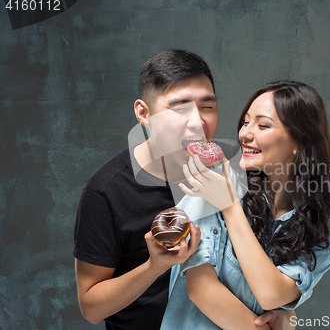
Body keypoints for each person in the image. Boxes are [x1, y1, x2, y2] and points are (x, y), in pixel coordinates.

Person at [73, 50, 295, 330]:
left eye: (207, 106)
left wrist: (287, 313)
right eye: (179, 108)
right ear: (144, 113)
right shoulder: (105, 191)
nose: (197, 122)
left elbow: (273, 265)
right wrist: (155, 266)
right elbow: (92, 309)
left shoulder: (237, 170)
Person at [160, 80, 330, 329]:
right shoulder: (213, 183)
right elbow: (201, 289)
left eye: (263, 125)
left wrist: (229, 207)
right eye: (246, 122)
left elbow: (272, 295)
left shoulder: (325, 232)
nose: (245, 133)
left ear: (298, 143)